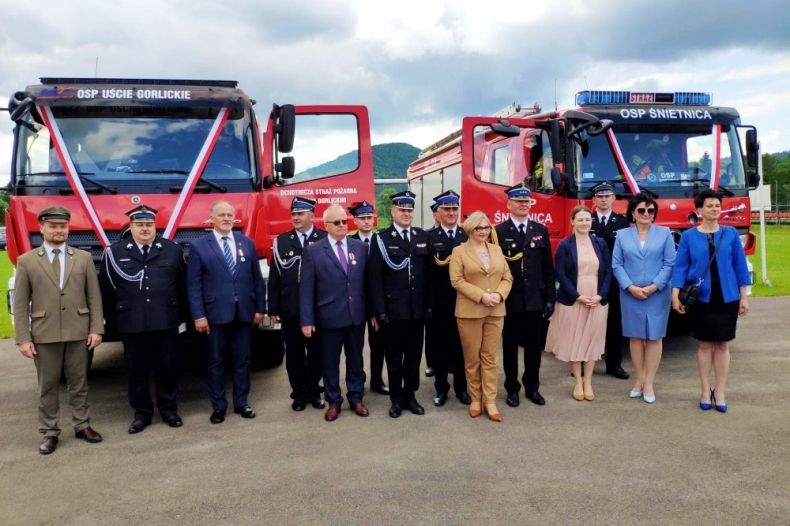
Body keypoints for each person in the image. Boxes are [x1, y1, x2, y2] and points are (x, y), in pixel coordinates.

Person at [13, 206, 104, 454]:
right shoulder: (27, 261)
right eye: (53, 226)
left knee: (79, 383)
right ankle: (50, 432)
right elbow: (20, 303)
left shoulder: (83, 258)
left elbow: (94, 297)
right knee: (48, 386)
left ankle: (82, 425)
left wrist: (96, 328)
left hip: (79, 331)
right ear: (41, 228)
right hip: (44, 334)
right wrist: (23, 338)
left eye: (62, 226)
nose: (59, 230)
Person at [99, 205, 187, 433]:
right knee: (136, 371)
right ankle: (142, 414)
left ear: (155, 226)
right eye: (140, 225)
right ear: (131, 226)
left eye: (149, 225)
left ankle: (169, 410)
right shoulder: (114, 252)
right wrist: (111, 323)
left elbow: (182, 287)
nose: (145, 229)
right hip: (131, 322)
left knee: (167, 368)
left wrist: (182, 318)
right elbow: (107, 291)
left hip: (165, 321)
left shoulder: (172, 250)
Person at [186, 201, 266, 424]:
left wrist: (260, 307)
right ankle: (219, 407)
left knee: (242, 360)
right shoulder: (199, 246)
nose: (227, 218)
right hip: (214, 315)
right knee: (216, 362)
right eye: (221, 215)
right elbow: (193, 285)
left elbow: (257, 279)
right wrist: (198, 316)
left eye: (230, 214)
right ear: (212, 218)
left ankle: (242, 403)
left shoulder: (246, 243)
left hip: (244, 313)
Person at [671, 189, 750, 413]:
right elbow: (680, 267)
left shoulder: (731, 233)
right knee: (705, 344)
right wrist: (675, 294)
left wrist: (744, 296)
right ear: (699, 210)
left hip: (727, 297)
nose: (715, 209)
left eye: (717, 205)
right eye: (710, 206)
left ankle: (721, 391)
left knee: (723, 344)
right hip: (701, 298)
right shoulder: (688, 236)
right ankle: (705, 390)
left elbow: (740, 266)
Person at [300, 204, 370, 421]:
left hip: (355, 314)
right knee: (330, 362)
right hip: (329, 317)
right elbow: (306, 289)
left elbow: (368, 283)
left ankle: (356, 397)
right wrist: (307, 320)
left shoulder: (359, 247)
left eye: (344, 221)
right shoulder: (313, 251)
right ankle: (334, 401)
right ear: (325, 225)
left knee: (356, 360)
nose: (342, 226)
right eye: (337, 222)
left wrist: (373, 311)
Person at [368, 190, 431, 418]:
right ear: (393, 211)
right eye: (402, 210)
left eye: (409, 210)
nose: (406, 214)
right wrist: (379, 310)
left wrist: (428, 305)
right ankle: (396, 399)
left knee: (414, 358)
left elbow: (429, 276)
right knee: (393, 358)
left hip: (417, 311)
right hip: (393, 313)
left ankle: (410, 396)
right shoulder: (381, 239)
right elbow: (375, 279)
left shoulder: (422, 237)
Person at [495, 181, 555, 407]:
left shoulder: (540, 230)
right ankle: (512, 389)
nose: (523, 205)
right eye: (519, 201)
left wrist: (550, 298)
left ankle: (532, 387)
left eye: (526, 201)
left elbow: (547, 267)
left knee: (533, 349)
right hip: (510, 301)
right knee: (509, 348)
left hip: (535, 300)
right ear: (509, 204)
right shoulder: (499, 232)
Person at [612, 194, 676, 403]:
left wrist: (653, 286)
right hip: (630, 293)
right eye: (641, 210)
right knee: (636, 337)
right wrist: (629, 287)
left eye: (650, 211)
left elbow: (669, 263)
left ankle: (649, 382)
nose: (646, 214)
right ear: (633, 213)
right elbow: (617, 264)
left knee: (654, 337)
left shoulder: (665, 233)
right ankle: (639, 380)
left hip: (656, 294)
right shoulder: (622, 235)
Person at [450, 211, 512, 421]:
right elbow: (457, 281)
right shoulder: (459, 251)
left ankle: (491, 401)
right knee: (472, 359)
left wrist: (499, 294)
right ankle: (476, 399)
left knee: (490, 358)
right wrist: (482, 297)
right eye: (479, 228)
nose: (483, 232)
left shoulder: (496, 249)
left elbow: (507, 276)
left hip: (495, 310)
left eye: (486, 228)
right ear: (470, 229)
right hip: (470, 312)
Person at [546, 205, 611, 401]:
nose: (584, 223)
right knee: (575, 340)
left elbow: (607, 271)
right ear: (572, 222)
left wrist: (600, 295)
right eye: (580, 220)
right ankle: (578, 383)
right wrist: (577, 296)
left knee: (592, 341)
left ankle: (589, 382)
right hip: (575, 298)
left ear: (591, 222)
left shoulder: (600, 243)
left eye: (587, 219)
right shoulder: (565, 245)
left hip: (596, 298)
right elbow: (561, 274)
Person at [268, 197, 327, 411]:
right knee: (294, 355)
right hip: (291, 308)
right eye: (293, 214)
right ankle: (299, 394)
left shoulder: (324, 238)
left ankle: (313, 390)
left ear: (312, 215)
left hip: (318, 309)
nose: (296, 217)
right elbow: (275, 276)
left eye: (300, 213)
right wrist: (273, 307)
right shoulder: (281, 241)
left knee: (317, 353)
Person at [427, 190, 472, 407]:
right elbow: (426, 273)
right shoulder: (430, 238)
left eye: (455, 209)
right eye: (447, 209)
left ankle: (462, 389)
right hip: (439, 305)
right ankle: (441, 389)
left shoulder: (467, 236)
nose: (452, 213)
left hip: (465, 302)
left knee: (462, 349)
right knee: (441, 350)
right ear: (439, 212)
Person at [590, 182, 631, 380]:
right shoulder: (586, 221)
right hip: (591, 278)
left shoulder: (622, 223)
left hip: (615, 279)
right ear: (594, 200)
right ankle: (584, 362)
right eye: (600, 196)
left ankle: (614, 364)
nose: (604, 199)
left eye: (608, 196)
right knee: (589, 322)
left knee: (615, 323)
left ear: (614, 199)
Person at [348, 200, 388, 395]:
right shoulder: (348, 242)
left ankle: (377, 380)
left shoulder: (381, 240)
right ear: (354, 220)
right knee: (355, 345)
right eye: (362, 218)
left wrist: (376, 308)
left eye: (369, 218)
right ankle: (358, 377)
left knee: (378, 344)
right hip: (354, 302)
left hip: (375, 303)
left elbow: (380, 279)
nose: (366, 222)